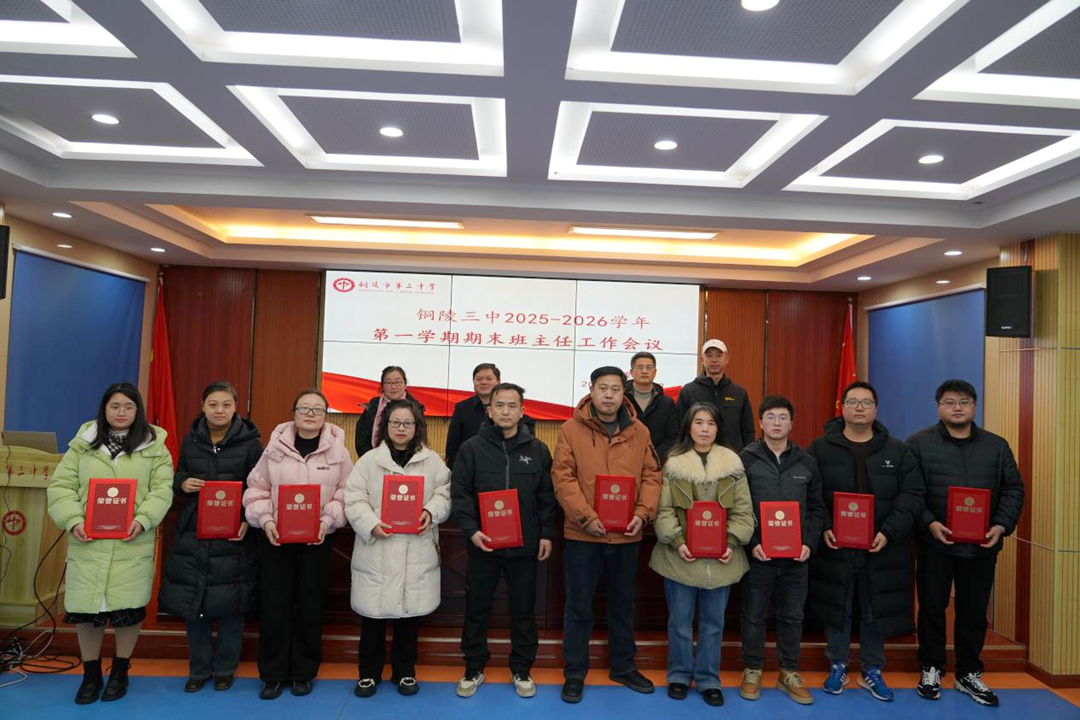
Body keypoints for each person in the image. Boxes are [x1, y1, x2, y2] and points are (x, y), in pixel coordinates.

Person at [46, 382, 174, 705]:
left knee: (128, 610)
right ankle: (90, 674)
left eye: (128, 407)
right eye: (114, 406)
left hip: (131, 541)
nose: (121, 412)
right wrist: (73, 519)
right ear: (104, 409)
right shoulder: (82, 445)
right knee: (87, 611)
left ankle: (120, 670)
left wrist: (143, 519)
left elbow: (162, 489)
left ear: (138, 410)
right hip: (88, 541)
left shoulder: (155, 446)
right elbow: (61, 486)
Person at [907, 379, 1025, 707]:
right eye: (949, 402)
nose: (957, 407)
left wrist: (1000, 526)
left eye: (964, 401)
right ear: (938, 407)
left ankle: (968, 672)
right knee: (932, 608)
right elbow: (911, 492)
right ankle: (931, 667)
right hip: (935, 545)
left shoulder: (997, 446)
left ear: (974, 406)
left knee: (973, 611)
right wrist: (929, 523)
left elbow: (1013, 489)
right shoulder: (918, 444)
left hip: (982, 546)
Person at [807, 381, 924, 703]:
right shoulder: (819, 449)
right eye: (853, 402)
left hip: (882, 546)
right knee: (838, 605)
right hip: (836, 545)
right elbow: (810, 493)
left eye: (866, 402)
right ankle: (838, 664)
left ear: (876, 409)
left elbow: (913, 495)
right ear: (842, 407)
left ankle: (873, 669)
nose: (859, 408)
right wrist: (825, 527)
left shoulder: (898, 451)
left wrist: (889, 531)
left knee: (875, 607)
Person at [552, 366, 663, 704]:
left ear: (623, 393)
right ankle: (574, 672)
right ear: (592, 390)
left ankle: (623, 667)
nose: (609, 395)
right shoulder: (570, 429)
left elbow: (652, 476)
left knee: (623, 605)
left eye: (616, 389)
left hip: (626, 535)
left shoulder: (640, 431)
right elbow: (563, 477)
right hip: (582, 536)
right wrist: (585, 517)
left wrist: (642, 514)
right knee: (578, 606)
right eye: (603, 388)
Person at [243, 389, 351, 700]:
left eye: (318, 409)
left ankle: (303, 673)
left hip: (318, 540)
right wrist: (266, 520)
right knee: (274, 606)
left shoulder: (339, 452)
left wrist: (327, 521)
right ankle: (273, 674)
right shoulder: (274, 448)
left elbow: (346, 492)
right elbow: (256, 489)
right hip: (276, 539)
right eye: (304, 408)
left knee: (309, 606)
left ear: (325, 416)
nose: (311, 414)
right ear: (294, 413)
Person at [451, 382, 556, 699]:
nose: (506, 411)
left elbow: (546, 497)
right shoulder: (471, 448)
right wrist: (472, 530)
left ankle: (522, 668)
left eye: (512, 405)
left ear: (522, 411)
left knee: (524, 609)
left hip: (524, 546)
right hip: (483, 544)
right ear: (489, 410)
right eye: (499, 405)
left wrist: (546, 533)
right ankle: (473, 667)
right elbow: (460, 494)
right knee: (477, 608)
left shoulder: (538, 450)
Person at [159, 381, 263, 693]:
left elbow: (260, 487)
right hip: (195, 531)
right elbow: (178, 473)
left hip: (234, 534)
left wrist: (247, 520)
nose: (220, 410)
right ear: (203, 406)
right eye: (213, 404)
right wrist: (182, 483)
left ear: (236, 408)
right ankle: (199, 669)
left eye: (226, 405)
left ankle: (225, 669)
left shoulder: (252, 444)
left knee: (231, 605)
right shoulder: (191, 439)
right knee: (195, 604)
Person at [650, 402, 754, 707]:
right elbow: (663, 510)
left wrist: (731, 543)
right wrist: (677, 541)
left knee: (713, 624)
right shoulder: (673, 465)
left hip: (722, 559)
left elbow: (744, 511)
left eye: (711, 423)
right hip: (679, 558)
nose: (705, 429)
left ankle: (709, 679)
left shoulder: (733, 465)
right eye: (699, 422)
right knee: (679, 622)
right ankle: (679, 675)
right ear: (688, 426)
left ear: (718, 428)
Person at [345, 399, 451, 698]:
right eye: (395, 422)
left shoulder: (432, 462)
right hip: (377, 548)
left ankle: (405, 671)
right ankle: (368, 674)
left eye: (407, 423)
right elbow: (354, 498)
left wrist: (430, 512)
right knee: (373, 616)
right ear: (385, 426)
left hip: (416, 549)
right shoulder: (368, 461)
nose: (401, 428)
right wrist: (371, 524)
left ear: (417, 427)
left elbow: (444, 494)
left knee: (410, 616)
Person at [738, 395, 824, 706]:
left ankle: (788, 671)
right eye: (771, 417)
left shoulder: (807, 462)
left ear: (792, 423)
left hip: (796, 557)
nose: (777, 423)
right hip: (759, 554)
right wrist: (752, 543)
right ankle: (753, 669)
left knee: (792, 616)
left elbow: (816, 509)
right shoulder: (745, 459)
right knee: (753, 614)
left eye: (783, 417)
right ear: (760, 423)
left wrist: (808, 544)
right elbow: (738, 507)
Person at [675, 339, 754, 450]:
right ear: (702, 360)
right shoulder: (688, 391)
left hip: (732, 456)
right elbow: (680, 429)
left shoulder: (739, 392)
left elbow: (748, 431)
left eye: (718, 355)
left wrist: (747, 456)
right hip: (696, 455)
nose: (714, 360)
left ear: (726, 358)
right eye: (709, 356)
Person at [354, 366, 425, 457]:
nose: (393, 386)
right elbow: (361, 441)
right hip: (374, 460)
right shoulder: (372, 407)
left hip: (408, 460)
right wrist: (370, 460)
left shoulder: (416, 408)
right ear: (382, 386)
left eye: (398, 382)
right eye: (388, 382)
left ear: (405, 384)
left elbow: (420, 438)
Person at [625, 351, 680, 462]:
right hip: (625, 460)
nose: (644, 371)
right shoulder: (622, 400)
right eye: (639, 367)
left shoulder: (666, 403)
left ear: (655, 372)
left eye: (649, 367)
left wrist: (653, 458)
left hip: (657, 462)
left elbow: (673, 437)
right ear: (631, 372)